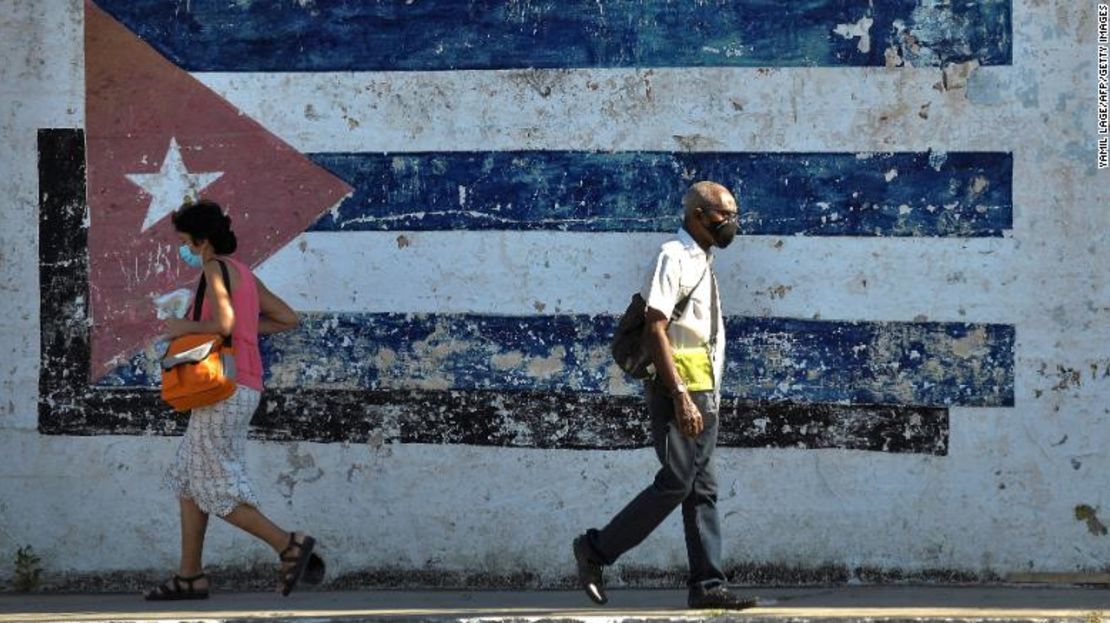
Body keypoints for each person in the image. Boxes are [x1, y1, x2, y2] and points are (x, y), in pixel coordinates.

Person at [573, 181, 754, 610]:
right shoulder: (672, 256)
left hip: (704, 388)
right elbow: (655, 327)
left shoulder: (702, 259)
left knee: (702, 489)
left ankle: (708, 587)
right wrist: (680, 396)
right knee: (676, 482)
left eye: (733, 214)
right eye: (723, 215)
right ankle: (595, 550)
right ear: (697, 215)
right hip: (678, 391)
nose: (731, 222)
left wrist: (705, 394)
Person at [145, 199, 323, 600]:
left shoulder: (213, 267)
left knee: (215, 487)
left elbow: (222, 324)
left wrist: (181, 326)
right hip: (243, 387)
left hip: (222, 387)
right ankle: (189, 577)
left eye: (186, 242)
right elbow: (286, 317)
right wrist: (244, 330)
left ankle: (288, 544)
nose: (184, 250)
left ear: (203, 241)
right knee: (189, 480)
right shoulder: (245, 273)